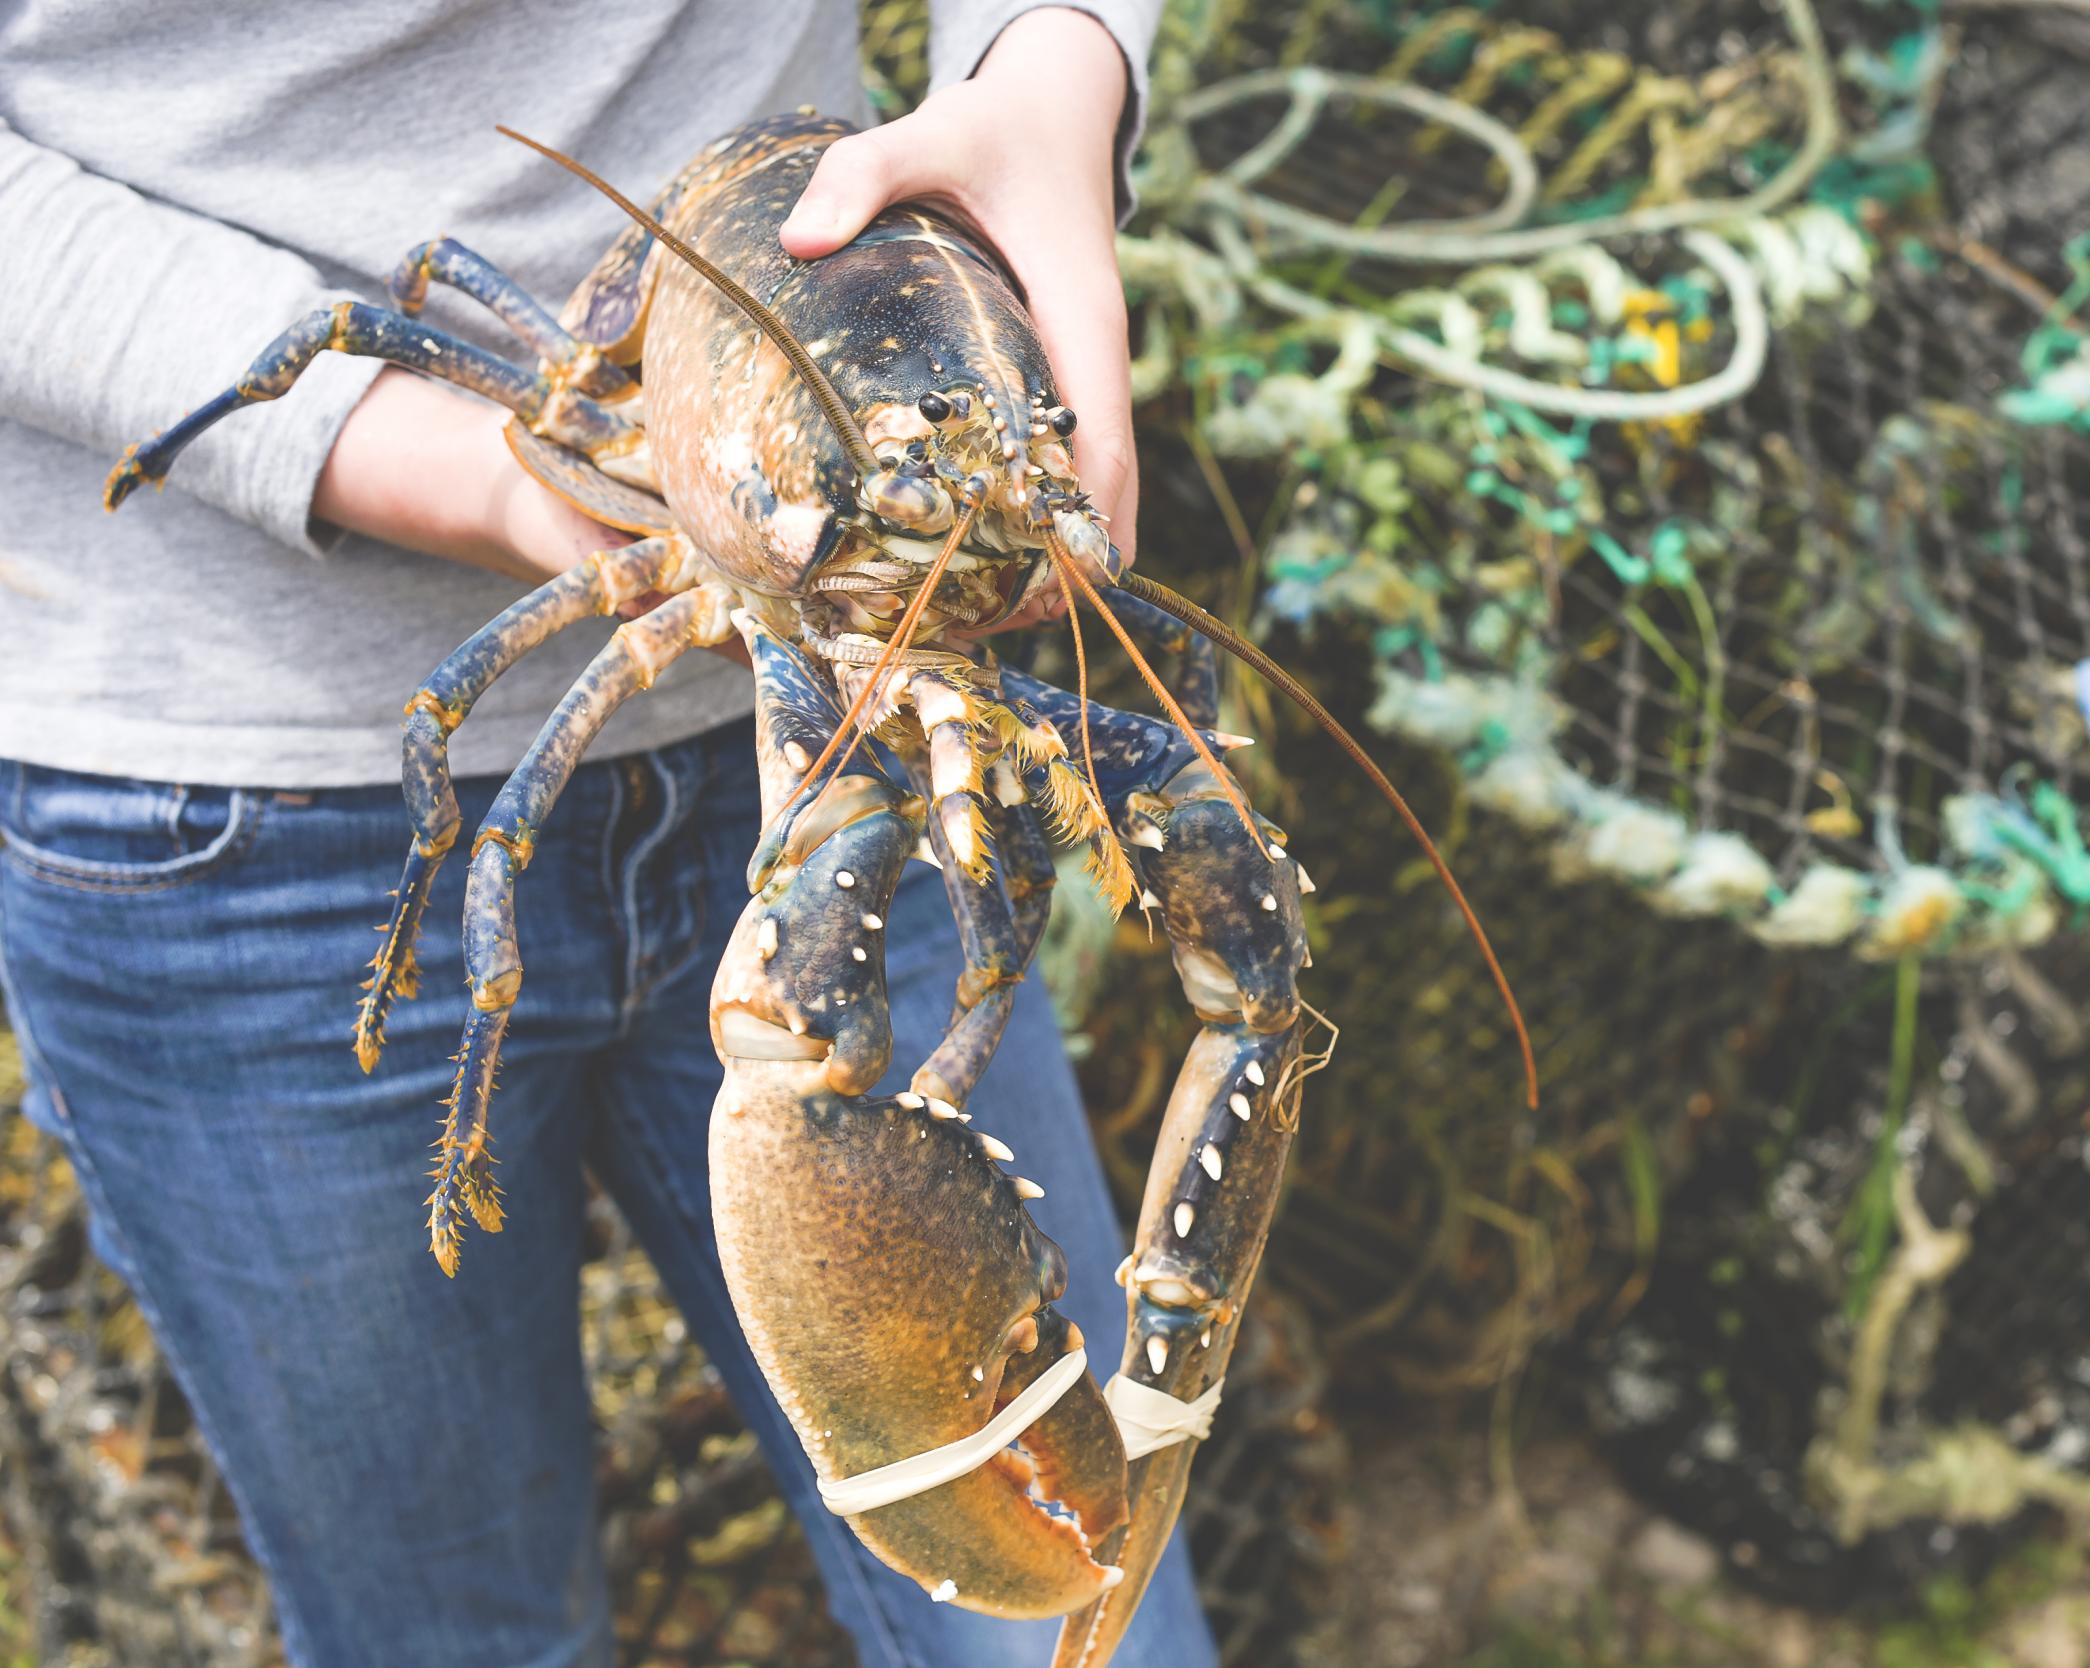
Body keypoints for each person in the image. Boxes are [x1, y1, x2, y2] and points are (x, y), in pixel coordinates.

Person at [0, 3, 1215, 1665]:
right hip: (224, 816)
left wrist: (1055, 66)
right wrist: (450, 471)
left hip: (853, 738)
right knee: (452, 1630)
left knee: (1090, 1628)